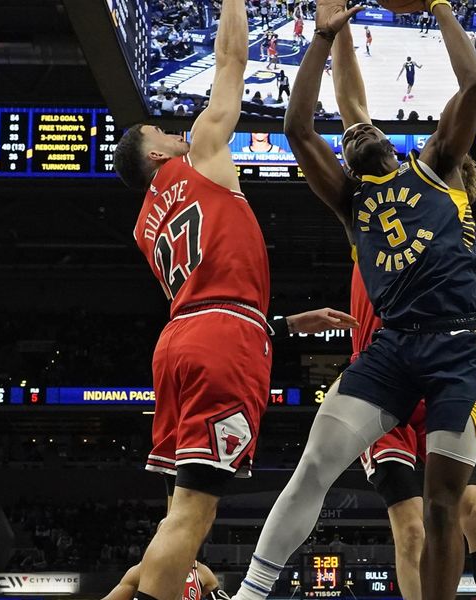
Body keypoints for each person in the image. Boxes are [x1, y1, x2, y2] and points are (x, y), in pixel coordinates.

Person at [230, 1, 476, 600]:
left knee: (445, 507)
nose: (352, 129)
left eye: (360, 126)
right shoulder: (348, 200)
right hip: (393, 346)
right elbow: (299, 129)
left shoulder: (436, 164)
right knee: (315, 463)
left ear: (387, 137)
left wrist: (438, 6)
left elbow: (473, 84)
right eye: (348, 133)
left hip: (460, 345)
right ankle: (252, 592)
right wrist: (323, 36)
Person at [111, 0, 358, 596]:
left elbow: (210, 290)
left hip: (180, 342)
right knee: (192, 516)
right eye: (162, 133)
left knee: (183, 519)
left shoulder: (146, 223)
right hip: (223, 343)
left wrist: (284, 323)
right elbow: (231, 59)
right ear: (156, 156)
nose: (176, 131)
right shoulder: (198, 158)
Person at [353, 77, 476, 600]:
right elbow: (353, 112)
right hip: (387, 374)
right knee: (410, 528)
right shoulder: (383, 214)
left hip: (445, 376)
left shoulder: (464, 244)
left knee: (473, 511)